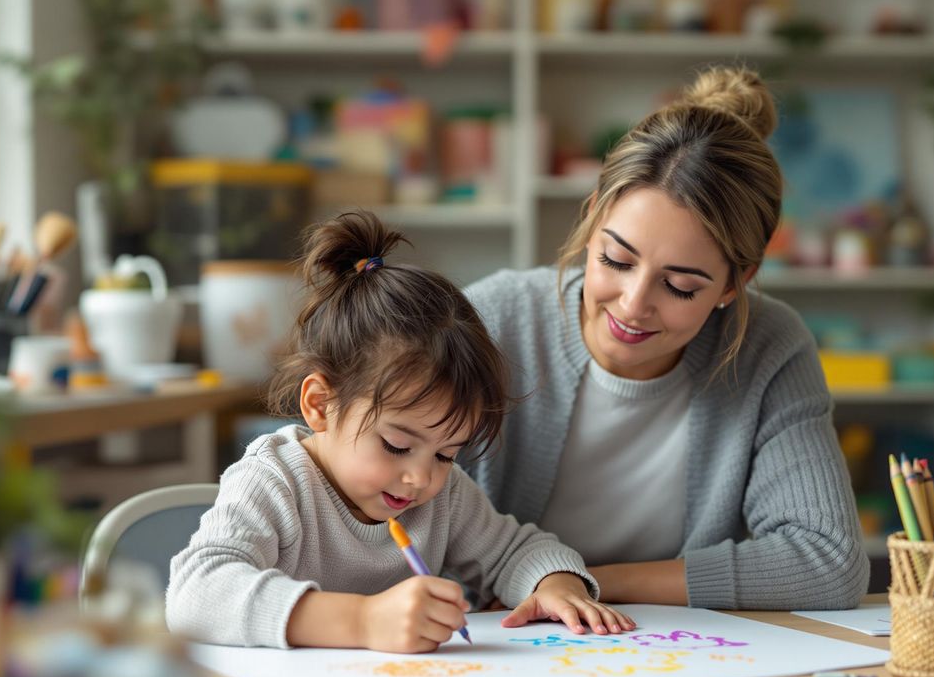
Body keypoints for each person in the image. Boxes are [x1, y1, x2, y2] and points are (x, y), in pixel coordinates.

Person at [460, 66, 869, 611]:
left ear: (735, 282)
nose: (633, 305)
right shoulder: (490, 322)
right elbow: (331, 465)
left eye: (679, 286)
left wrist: (586, 582)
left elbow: (829, 561)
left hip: (667, 660)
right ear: (591, 218)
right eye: (616, 260)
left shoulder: (769, 347)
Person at [167, 211, 634, 652]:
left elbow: (517, 549)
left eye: (447, 454)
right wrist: (362, 621)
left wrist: (555, 585)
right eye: (397, 445)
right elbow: (196, 593)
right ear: (320, 405)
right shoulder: (276, 482)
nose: (421, 478)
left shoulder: (441, 498)